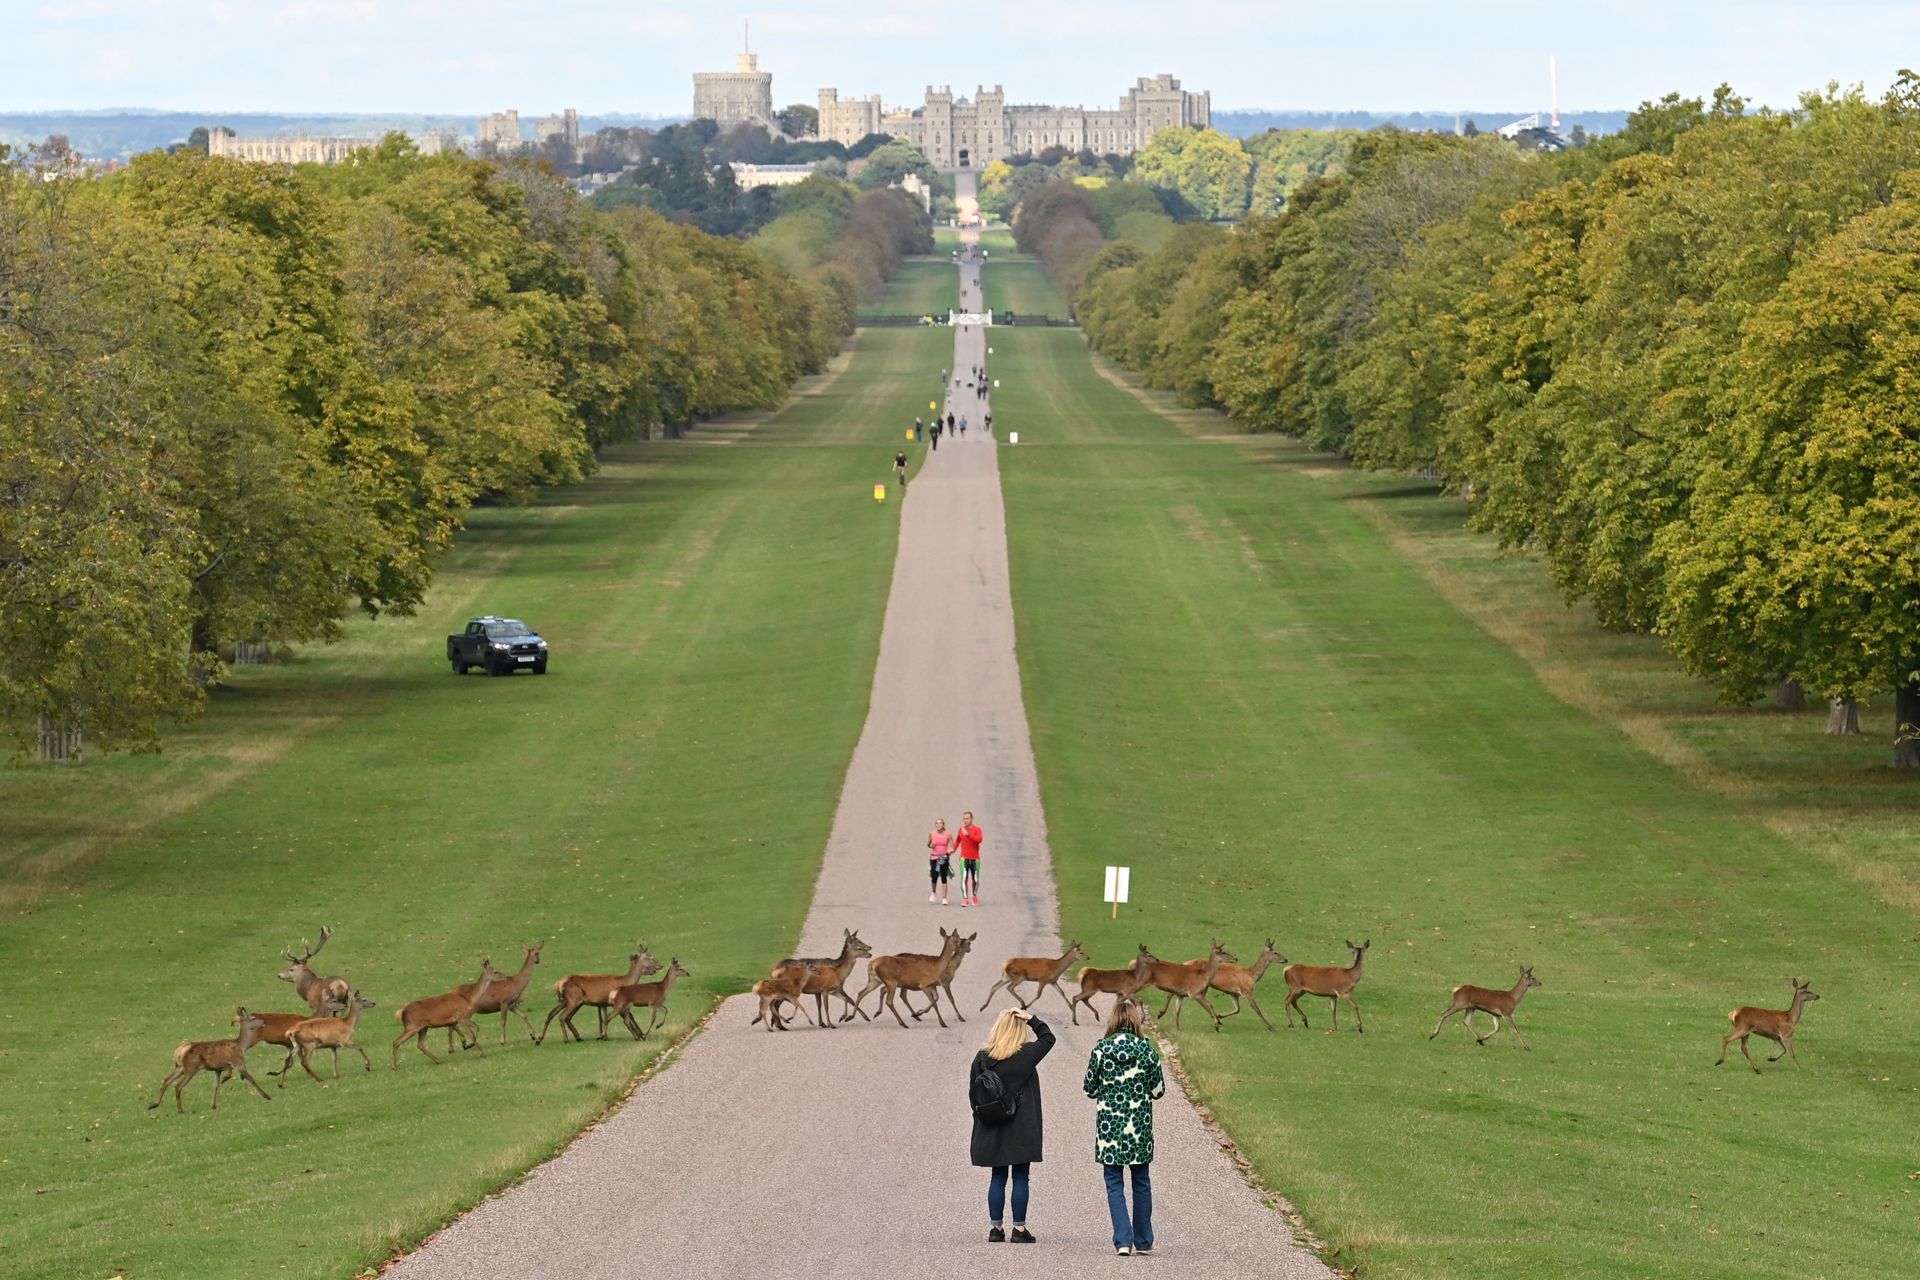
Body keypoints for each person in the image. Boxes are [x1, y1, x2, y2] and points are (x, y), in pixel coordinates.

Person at [1083, 999, 1166, 1257]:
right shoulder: (1146, 1049)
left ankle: (1122, 1240)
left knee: (1113, 1182)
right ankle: (1143, 1240)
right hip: (1138, 1126)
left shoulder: (1101, 1049)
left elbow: (1090, 1089)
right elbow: (1158, 1090)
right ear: (1134, 1020)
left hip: (1110, 1126)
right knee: (1141, 1181)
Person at [970, 1007, 1053, 1244]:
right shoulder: (1025, 1055)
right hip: (1021, 1126)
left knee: (997, 1176)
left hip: (992, 1125)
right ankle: (1019, 1229)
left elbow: (973, 1093)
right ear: (1020, 1029)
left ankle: (995, 1229)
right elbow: (1048, 1038)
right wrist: (1031, 1019)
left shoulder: (982, 1057)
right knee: (1020, 1177)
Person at [954, 812, 983, 906]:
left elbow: (979, 840)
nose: (965, 820)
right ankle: (965, 899)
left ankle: (974, 896)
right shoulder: (961, 830)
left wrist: (969, 834)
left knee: (976, 879)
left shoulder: (977, 829)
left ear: (971, 819)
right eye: (964, 818)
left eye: (967, 818)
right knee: (964, 878)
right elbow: (958, 840)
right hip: (964, 858)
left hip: (975, 859)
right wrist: (953, 850)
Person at [928, 818, 953, 905]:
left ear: (943, 825)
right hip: (934, 857)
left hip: (944, 858)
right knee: (934, 876)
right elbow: (928, 844)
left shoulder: (948, 834)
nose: (938, 825)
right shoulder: (932, 833)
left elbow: (952, 847)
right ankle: (933, 893)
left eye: (940, 823)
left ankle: (944, 898)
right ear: (935, 825)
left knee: (943, 877)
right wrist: (932, 845)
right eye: (937, 823)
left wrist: (949, 851)